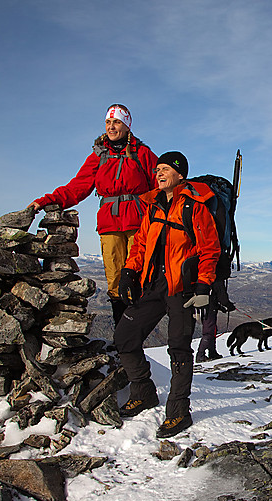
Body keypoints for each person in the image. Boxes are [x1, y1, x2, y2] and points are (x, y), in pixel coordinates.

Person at [113, 151, 220, 438]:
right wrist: (129, 271)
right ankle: (144, 391)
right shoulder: (153, 205)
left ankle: (178, 412)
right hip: (153, 285)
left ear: (180, 175)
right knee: (124, 337)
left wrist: (203, 285)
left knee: (179, 349)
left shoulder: (195, 207)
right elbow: (140, 244)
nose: (158, 173)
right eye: (157, 169)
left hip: (181, 289)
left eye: (165, 169)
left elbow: (210, 250)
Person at [28, 104, 157, 326]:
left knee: (141, 276)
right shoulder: (98, 156)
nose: (111, 127)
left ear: (126, 126)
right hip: (110, 224)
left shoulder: (142, 153)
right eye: (108, 122)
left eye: (116, 122)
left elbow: (160, 185)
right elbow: (77, 187)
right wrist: (47, 200)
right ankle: (121, 333)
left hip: (140, 223)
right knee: (115, 279)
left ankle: (138, 331)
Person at [195, 281, 236, 362]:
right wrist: (228, 305)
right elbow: (221, 296)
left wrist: (220, 307)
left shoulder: (207, 278)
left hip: (205, 305)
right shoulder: (216, 278)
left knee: (211, 329)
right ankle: (201, 355)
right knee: (209, 330)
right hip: (209, 307)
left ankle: (212, 352)